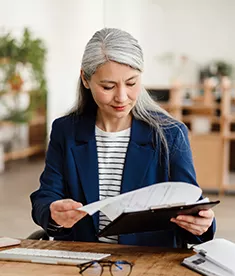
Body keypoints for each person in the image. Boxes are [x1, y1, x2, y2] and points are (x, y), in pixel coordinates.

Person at [30, 28, 215, 247]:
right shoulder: (66, 131)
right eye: (108, 86)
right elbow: (45, 197)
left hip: (149, 264)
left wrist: (202, 224)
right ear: (86, 79)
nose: (121, 97)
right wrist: (53, 213)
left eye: (131, 83)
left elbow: (191, 204)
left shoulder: (170, 134)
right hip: (85, 261)